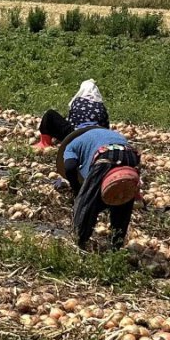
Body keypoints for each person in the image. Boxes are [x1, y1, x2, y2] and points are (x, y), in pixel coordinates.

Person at [62, 123, 141, 251]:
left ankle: (79, 243)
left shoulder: (71, 145)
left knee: (86, 203)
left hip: (105, 156)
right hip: (131, 156)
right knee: (123, 198)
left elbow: (69, 167)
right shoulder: (113, 134)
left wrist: (77, 190)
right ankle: (116, 246)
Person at [37, 79, 110, 148]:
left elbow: (72, 121)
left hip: (76, 136)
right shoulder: (101, 107)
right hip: (96, 138)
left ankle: (45, 143)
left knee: (50, 114)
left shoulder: (77, 102)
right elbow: (105, 127)